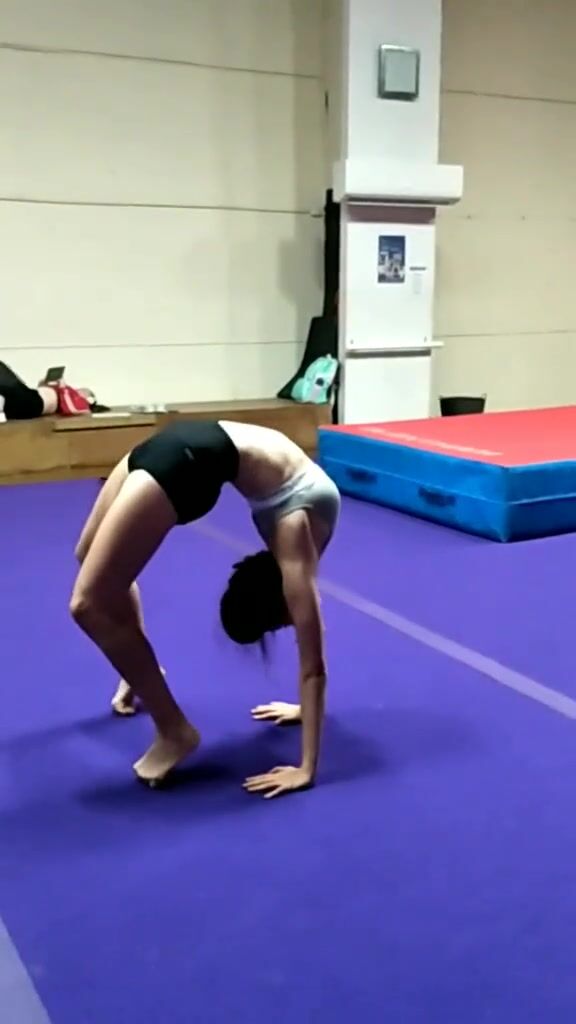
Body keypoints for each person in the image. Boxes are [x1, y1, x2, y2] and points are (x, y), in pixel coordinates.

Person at [70, 420, 341, 798]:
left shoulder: (293, 543)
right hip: (186, 462)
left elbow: (310, 648)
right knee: (88, 602)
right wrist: (306, 768)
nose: (288, 626)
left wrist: (302, 709)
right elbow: (313, 665)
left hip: (180, 440)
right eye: (279, 625)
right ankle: (174, 730)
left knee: (97, 576)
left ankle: (140, 672)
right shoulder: (294, 539)